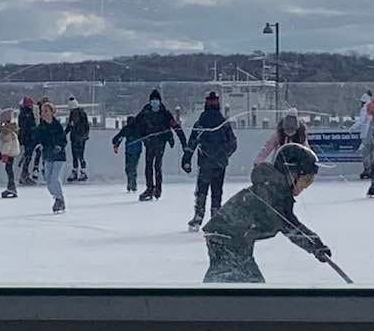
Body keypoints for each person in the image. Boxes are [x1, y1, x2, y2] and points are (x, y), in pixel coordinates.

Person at [200, 143, 332, 283]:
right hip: (226, 237)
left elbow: (290, 224)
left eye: (310, 181)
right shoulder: (272, 193)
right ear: (291, 174)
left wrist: (315, 244)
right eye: (305, 180)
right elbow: (290, 226)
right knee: (246, 283)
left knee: (238, 280)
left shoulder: (276, 190)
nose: (305, 187)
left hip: (231, 237)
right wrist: (315, 244)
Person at [183, 91, 238, 231]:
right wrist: (224, 155)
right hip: (218, 163)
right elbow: (233, 144)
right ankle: (214, 217)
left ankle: (199, 217)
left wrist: (187, 159)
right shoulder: (221, 123)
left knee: (202, 190)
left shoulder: (202, 123)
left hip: (206, 162)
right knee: (216, 191)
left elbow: (192, 143)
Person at [134, 88, 187, 201]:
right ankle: (149, 188)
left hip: (160, 143)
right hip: (149, 143)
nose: (154, 102)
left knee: (157, 165)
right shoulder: (145, 113)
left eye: (156, 100)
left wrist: (184, 143)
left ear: (160, 101)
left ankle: (157, 189)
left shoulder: (165, 113)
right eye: (152, 100)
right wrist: (138, 136)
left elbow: (176, 127)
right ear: (149, 101)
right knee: (149, 166)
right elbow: (135, 125)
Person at [33, 101, 67, 213]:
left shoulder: (57, 126)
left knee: (54, 178)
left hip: (59, 156)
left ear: (52, 112)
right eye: (42, 111)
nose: (44, 113)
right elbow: (36, 139)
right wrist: (38, 144)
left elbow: (63, 140)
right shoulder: (40, 127)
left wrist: (59, 146)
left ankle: (59, 199)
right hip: (47, 156)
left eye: (46, 111)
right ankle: (58, 197)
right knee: (48, 180)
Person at [112, 115, 142, 192]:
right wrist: (116, 144)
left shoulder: (136, 128)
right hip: (131, 151)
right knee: (130, 168)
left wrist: (116, 144)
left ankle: (132, 184)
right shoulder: (129, 128)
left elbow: (119, 138)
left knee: (131, 168)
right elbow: (119, 137)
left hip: (134, 151)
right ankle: (131, 183)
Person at [65, 96, 90, 183]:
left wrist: (65, 133)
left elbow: (71, 125)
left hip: (77, 138)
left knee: (77, 155)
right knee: (78, 155)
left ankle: (79, 171)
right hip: (79, 138)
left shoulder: (76, 113)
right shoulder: (81, 113)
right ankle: (79, 171)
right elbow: (86, 126)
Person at [0, 107, 20, 198]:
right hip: (12, 152)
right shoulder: (11, 130)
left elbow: (7, 144)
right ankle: (11, 186)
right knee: (9, 170)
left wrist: (4, 154)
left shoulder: (7, 131)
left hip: (9, 153)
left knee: (9, 170)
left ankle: (11, 186)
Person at [17, 96, 40, 185]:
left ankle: (24, 174)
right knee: (28, 157)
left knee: (27, 156)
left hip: (26, 138)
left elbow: (23, 128)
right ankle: (24, 175)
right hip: (29, 138)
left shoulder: (23, 113)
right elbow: (29, 127)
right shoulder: (28, 113)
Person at [353, 90, 374, 179]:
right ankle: (372, 170)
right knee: (371, 153)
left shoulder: (364, 108)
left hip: (366, 134)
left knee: (365, 154)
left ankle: (367, 170)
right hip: (373, 134)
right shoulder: (373, 107)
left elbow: (361, 121)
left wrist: (352, 127)